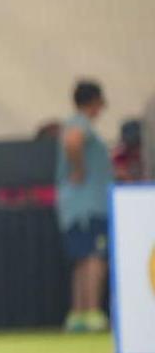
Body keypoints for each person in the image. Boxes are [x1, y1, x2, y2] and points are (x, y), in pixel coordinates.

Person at [56, 80, 113, 333]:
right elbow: (73, 142)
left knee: (82, 259)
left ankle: (78, 313)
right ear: (95, 102)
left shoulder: (74, 123)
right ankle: (91, 311)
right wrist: (79, 168)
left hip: (74, 207)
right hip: (89, 205)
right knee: (94, 258)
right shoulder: (80, 124)